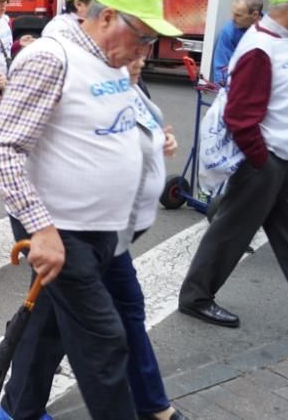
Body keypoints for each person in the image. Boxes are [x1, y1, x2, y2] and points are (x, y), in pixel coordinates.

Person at [0, 0, 182, 419]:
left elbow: (106, 129)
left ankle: (17, 411)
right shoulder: (51, 59)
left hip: (103, 230)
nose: (144, 52)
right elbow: (2, 148)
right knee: (105, 340)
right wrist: (41, 228)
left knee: (50, 325)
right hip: (61, 227)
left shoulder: (111, 60)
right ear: (107, 17)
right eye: (143, 38)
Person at [179, 0, 288, 329]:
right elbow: (239, 116)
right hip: (266, 162)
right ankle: (195, 298)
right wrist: (262, 161)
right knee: (230, 233)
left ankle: (196, 294)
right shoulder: (261, 48)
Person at [107, 55, 186, 420]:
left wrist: (162, 139)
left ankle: (18, 401)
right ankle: (154, 404)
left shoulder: (134, 85)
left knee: (53, 321)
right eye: (135, 44)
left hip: (123, 227)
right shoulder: (95, 87)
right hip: (95, 227)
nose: (141, 57)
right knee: (126, 306)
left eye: (145, 45)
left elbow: (148, 128)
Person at [210, 0, 264, 84]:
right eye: (233, 13)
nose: (233, 18)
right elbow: (221, 69)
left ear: (255, 15)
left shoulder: (273, 27)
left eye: (238, 15)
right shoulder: (228, 32)